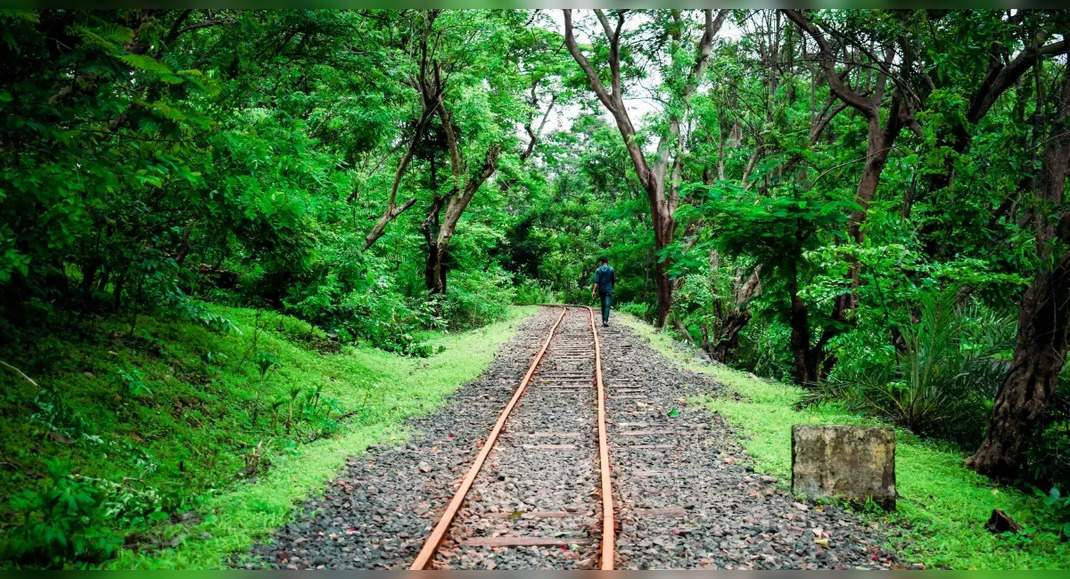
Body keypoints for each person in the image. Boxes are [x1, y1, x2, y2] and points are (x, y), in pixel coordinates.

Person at [591, 257, 615, 327]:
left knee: (603, 305)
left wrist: (594, 291)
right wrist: (611, 287)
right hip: (608, 289)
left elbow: (596, 282)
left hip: (601, 290)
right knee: (607, 305)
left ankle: (603, 321)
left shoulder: (598, 270)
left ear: (601, 263)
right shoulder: (611, 270)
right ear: (607, 262)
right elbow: (613, 280)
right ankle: (605, 320)